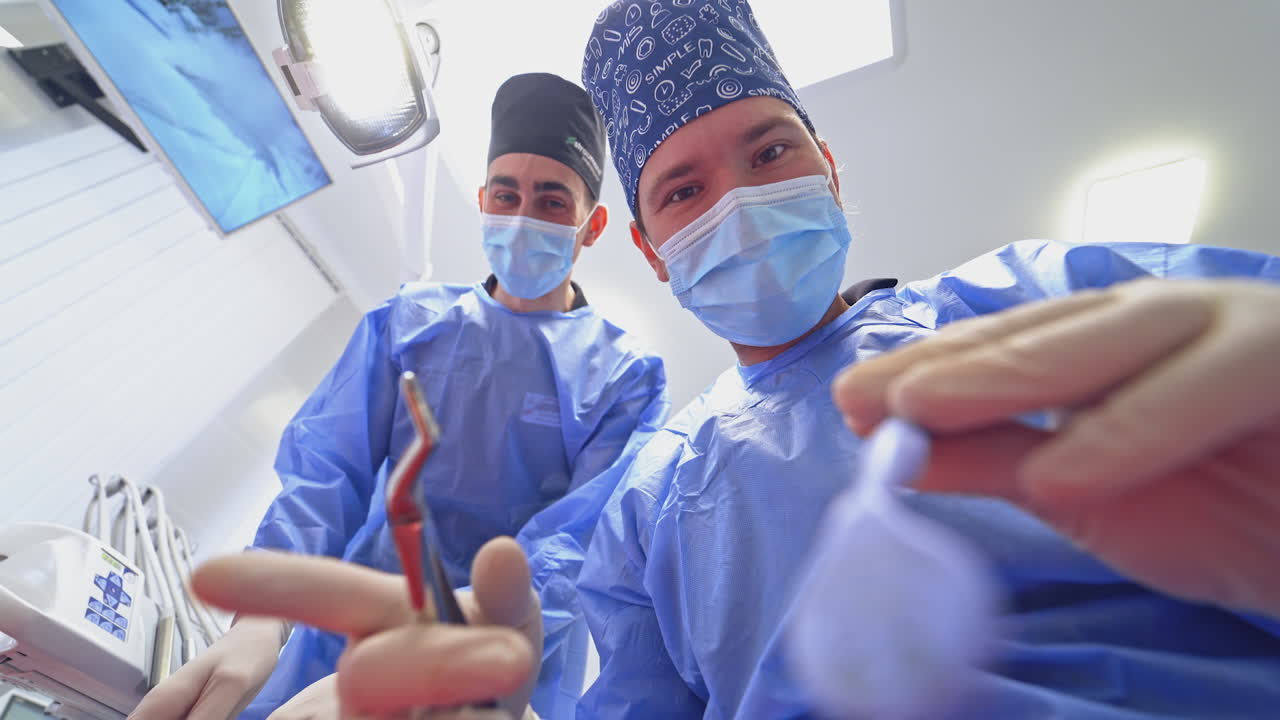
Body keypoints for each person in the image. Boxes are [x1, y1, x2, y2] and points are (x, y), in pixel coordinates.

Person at [186, 2, 1280, 718]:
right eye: (682, 189)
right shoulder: (655, 498)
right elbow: (342, 485)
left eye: (769, 152)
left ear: (829, 168)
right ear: (656, 255)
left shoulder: (1033, 299)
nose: (742, 205)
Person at [130, 73, 669, 720]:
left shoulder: (625, 376)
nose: (523, 216)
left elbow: (575, 542)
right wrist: (262, 620)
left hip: (496, 667)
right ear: (482, 201)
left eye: (553, 201)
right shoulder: (408, 324)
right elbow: (327, 474)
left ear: (593, 224)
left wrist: (473, 636)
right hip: (342, 644)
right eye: (507, 193)